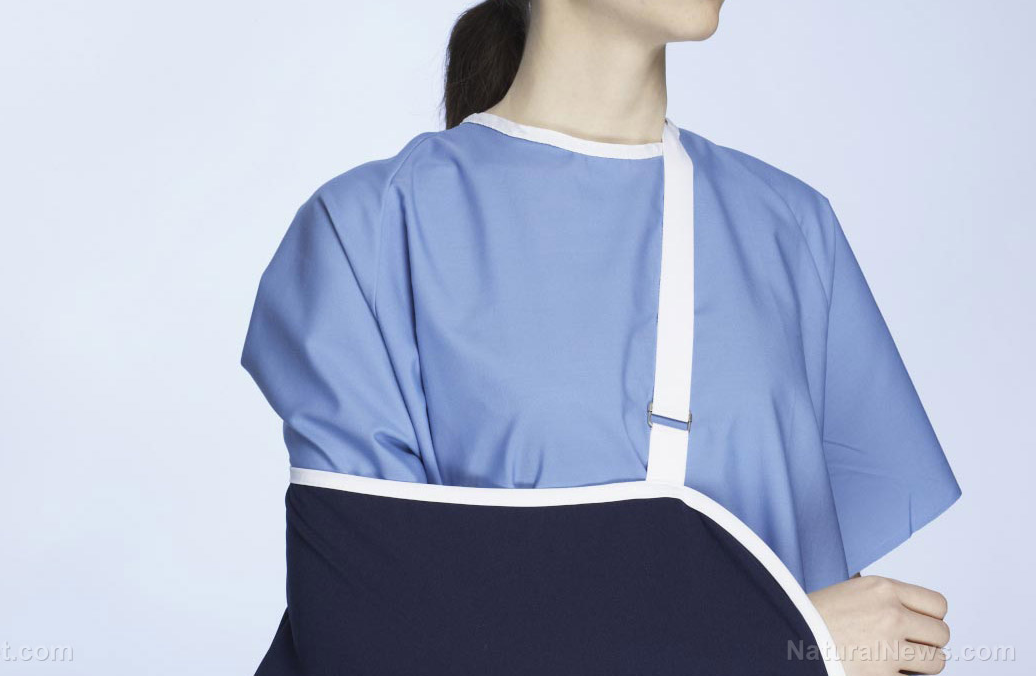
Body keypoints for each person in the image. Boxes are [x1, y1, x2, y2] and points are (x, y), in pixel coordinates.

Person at [242, 1, 961, 674]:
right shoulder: (369, 231)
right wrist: (778, 645)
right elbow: (371, 640)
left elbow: (828, 602)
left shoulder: (790, 229)